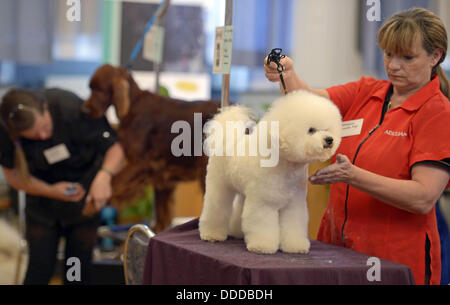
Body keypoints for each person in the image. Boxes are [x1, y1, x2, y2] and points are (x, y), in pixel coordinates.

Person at [264, 8, 450, 285]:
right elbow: (306, 101)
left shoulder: (438, 114)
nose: (393, 65)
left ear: (435, 56)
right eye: (388, 54)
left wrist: (353, 176)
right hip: (337, 248)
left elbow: (422, 197)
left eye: (407, 57)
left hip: (393, 260)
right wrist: (286, 73)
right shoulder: (366, 91)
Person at [0, 87, 125, 284]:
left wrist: (104, 176)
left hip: (84, 198)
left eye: (45, 128)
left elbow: (115, 148)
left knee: (76, 269)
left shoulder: (71, 108)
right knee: (40, 266)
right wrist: (51, 191)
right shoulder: (5, 130)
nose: (42, 136)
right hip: (41, 200)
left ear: (45, 107)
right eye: (33, 135)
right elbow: (15, 177)